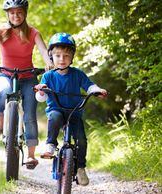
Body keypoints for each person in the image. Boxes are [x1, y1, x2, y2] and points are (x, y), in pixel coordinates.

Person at [0, 0, 53, 170]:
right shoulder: (1, 31)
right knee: (4, 92)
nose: (16, 16)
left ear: (25, 13)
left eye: (19, 12)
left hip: (28, 77)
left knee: (29, 115)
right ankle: (0, 122)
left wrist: (49, 62)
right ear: (8, 14)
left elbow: (43, 49)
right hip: (5, 74)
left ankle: (30, 155)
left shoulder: (34, 33)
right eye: (12, 13)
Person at [35, 32, 108, 185]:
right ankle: (51, 143)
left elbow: (89, 86)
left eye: (66, 56)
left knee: (81, 139)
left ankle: (81, 168)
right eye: (58, 56)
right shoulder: (48, 76)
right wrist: (41, 90)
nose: (62, 59)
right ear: (51, 56)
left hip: (74, 112)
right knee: (54, 117)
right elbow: (41, 97)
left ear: (72, 57)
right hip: (57, 110)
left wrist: (97, 90)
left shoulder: (77, 74)